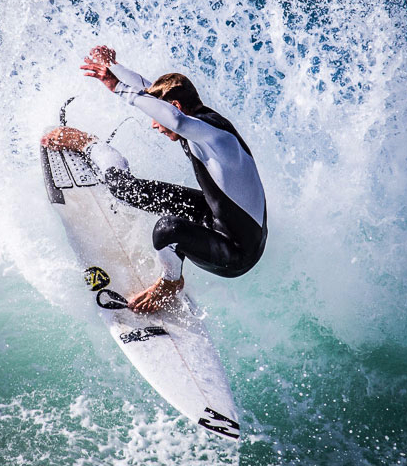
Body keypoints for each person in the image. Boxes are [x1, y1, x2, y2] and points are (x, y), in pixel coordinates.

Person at [41, 46, 267, 313]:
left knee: (166, 230)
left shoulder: (215, 136)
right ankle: (91, 146)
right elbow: (152, 94)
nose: (154, 124)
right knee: (128, 190)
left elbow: (174, 120)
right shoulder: (198, 121)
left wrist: (118, 89)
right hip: (217, 216)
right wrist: (114, 69)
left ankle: (170, 283)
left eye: (159, 117)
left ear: (176, 107)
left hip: (237, 252)